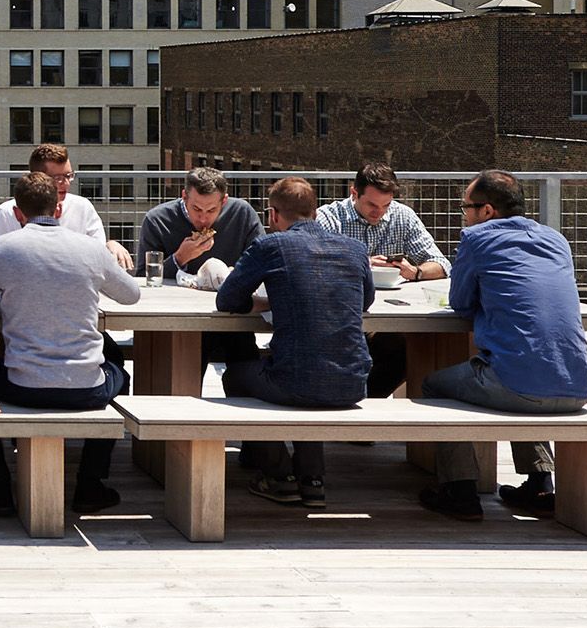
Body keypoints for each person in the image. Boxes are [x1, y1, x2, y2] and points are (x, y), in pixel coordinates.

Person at [0, 171, 143, 517]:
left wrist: (10, 297)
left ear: (17, 213)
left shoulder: (4, 247)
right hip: (86, 387)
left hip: (24, 384)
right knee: (120, 374)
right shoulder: (90, 248)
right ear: (58, 209)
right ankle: (90, 484)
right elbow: (131, 296)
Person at [418, 170, 587, 523]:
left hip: (517, 384)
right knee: (524, 363)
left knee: (434, 386)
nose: (464, 215)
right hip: (578, 384)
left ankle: (460, 491)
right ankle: (540, 483)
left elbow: (462, 304)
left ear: (487, 211)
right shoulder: (556, 240)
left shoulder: (476, 238)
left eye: (466, 207)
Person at [214, 176, 375, 509]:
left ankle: (280, 475)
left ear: (273, 216)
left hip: (296, 380)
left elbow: (227, 299)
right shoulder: (355, 249)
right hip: (353, 381)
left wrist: (266, 302)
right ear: (314, 212)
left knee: (236, 377)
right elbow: (364, 301)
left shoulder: (271, 246)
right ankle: (313, 480)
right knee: (310, 378)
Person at [317, 163, 451, 399]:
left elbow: (441, 264)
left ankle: (366, 408)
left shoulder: (402, 215)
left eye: (385, 205)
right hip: (341, 314)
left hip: (389, 317)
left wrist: (416, 272)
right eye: (371, 204)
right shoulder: (330, 217)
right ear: (354, 192)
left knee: (410, 347)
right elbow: (314, 263)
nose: (379, 212)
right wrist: (361, 263)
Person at [0, 143, 135, 270]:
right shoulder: (6, 212)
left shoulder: (82, 207)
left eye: (69, 175)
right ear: (37, 178)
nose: (66, 183)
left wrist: (111, 244)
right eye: (57, 178)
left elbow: (98, 255)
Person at [137, 166, 264, 283]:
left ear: (224, 201)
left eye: (211, 210)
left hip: (230, 298)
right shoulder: (157, 220)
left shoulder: (242, 213)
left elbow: (263, 260)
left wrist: (236, 273)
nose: (203, 219)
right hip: (176, 300)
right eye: (196, 209)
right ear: (184, 197)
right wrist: (180, 258)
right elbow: (144, 278)